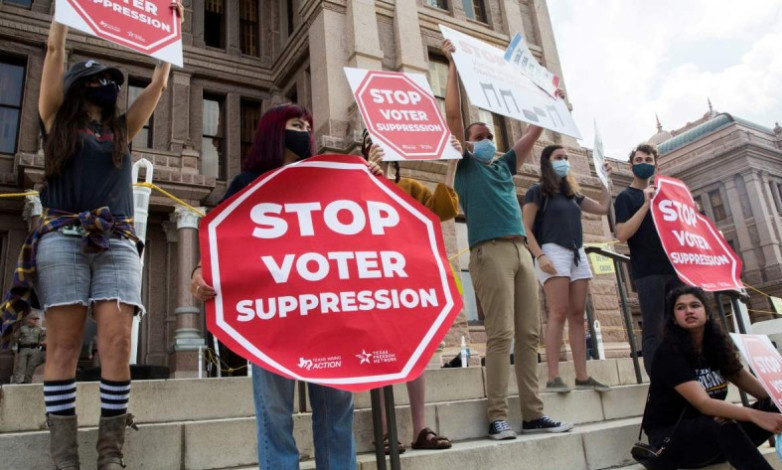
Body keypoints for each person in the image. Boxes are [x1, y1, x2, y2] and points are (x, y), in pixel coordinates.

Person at [0, 5, 182, 468]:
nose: (109, 87)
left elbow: (158, 85)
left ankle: (110, 454)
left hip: (117, 240)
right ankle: (65, 458)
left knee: (117, 342)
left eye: (113, 82)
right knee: (62, 345)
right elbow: (55, 47)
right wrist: (63, 10)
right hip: (63, 236)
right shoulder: (55, 119)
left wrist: (170, 34)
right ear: (80, 85)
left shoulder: (122, 130)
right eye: (99, 78)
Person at [191, 104, 382, 470]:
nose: (305, 132)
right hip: (270, 320)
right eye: (296, 125)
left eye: (308, 126)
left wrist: (369, 181)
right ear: (274, 131)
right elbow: (223, 239)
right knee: (275, 415)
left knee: (336, 411)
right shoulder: (246, 184)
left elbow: (358, 230)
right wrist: (201, 269)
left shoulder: (326, 178)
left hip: (327, 314)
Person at [442, 39, 572, 440]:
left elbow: (534, 130)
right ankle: (497, 415)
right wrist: (451, 63)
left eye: (488, 134)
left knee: (529, 334)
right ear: (467, 142)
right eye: (478, 134)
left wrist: (551, 98)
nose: (486, 139)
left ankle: (533, 414)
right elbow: (451, 114)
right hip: (489, 252)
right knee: (500, 334)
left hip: (519, 251)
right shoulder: (465, 165)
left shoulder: (503, 165)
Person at [363, 129, 460, 452]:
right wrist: (368, 174)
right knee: (380, 352)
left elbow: (441, 211)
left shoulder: (409, 187)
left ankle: (420, 429)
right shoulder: (358, 181)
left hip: (407, 279)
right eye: (372, 140)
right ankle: (385, 431)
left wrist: (450, 165)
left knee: (414, 351)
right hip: (373, 277)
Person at [640, 285, 782, 469]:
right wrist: (754, 415)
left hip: (715, 438)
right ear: (674, 319)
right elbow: (703, 404)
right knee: (722, 422)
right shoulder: (669, 353)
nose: (688, 310)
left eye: (695, 305)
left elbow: (762, 393)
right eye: (680, 308)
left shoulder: (716, 348)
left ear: (707, 313)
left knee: (775, 404)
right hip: (671, 440)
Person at [522, 145, 612, 394]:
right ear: (546, 162)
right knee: (558, 312)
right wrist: (539, 255)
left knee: (577, 314)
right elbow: (525, 228)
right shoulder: (537, 192)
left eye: (566, 158)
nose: (564, 161)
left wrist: (606, 181)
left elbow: (603, 209)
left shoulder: (572, 193)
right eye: (558, 158)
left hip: (577, 253)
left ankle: (582, 376)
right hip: (552, 251)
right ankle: (553, 377)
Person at [614, 143, 682, 375]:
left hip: (676, 270)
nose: (644, 164)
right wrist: (646, 204)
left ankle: (684, 375)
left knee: (680, 325)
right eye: (639, 160)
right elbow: (622, 234)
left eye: (648, 161)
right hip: (648, 272)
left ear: (656, 164)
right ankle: (659, 381)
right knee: (654, 328)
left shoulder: (667, 196)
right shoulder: (625, 197)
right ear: (630, 165)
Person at [13, 312, 45, 384]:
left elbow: (42, 339)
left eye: (36, 320)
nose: (35, 321)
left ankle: (27, 382)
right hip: (24, 348)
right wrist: (18, 342)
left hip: (34, 349)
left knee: (31, 366)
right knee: (21, 365)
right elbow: (15, 337)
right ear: (29, 320)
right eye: (34, 319)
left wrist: (40, 346)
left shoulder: (39, 330)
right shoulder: (22, 329)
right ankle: (17, 381)